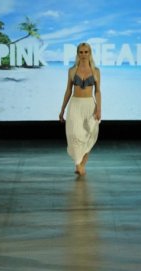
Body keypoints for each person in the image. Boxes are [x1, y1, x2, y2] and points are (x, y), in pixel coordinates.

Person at [59, 42, 101, 176]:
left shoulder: (96, 71)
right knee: (75, 135)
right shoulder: (72, 71)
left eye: (86, 52)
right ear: (77, 54)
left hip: (89, 105)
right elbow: (68, 90)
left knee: (89, 135)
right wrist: (62, 109)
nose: (83, 54)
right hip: (75, 105)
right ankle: (78, 163)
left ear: (90, 53)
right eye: (81, 52)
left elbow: (97, 91)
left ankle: (82, 164)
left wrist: (99, 109)